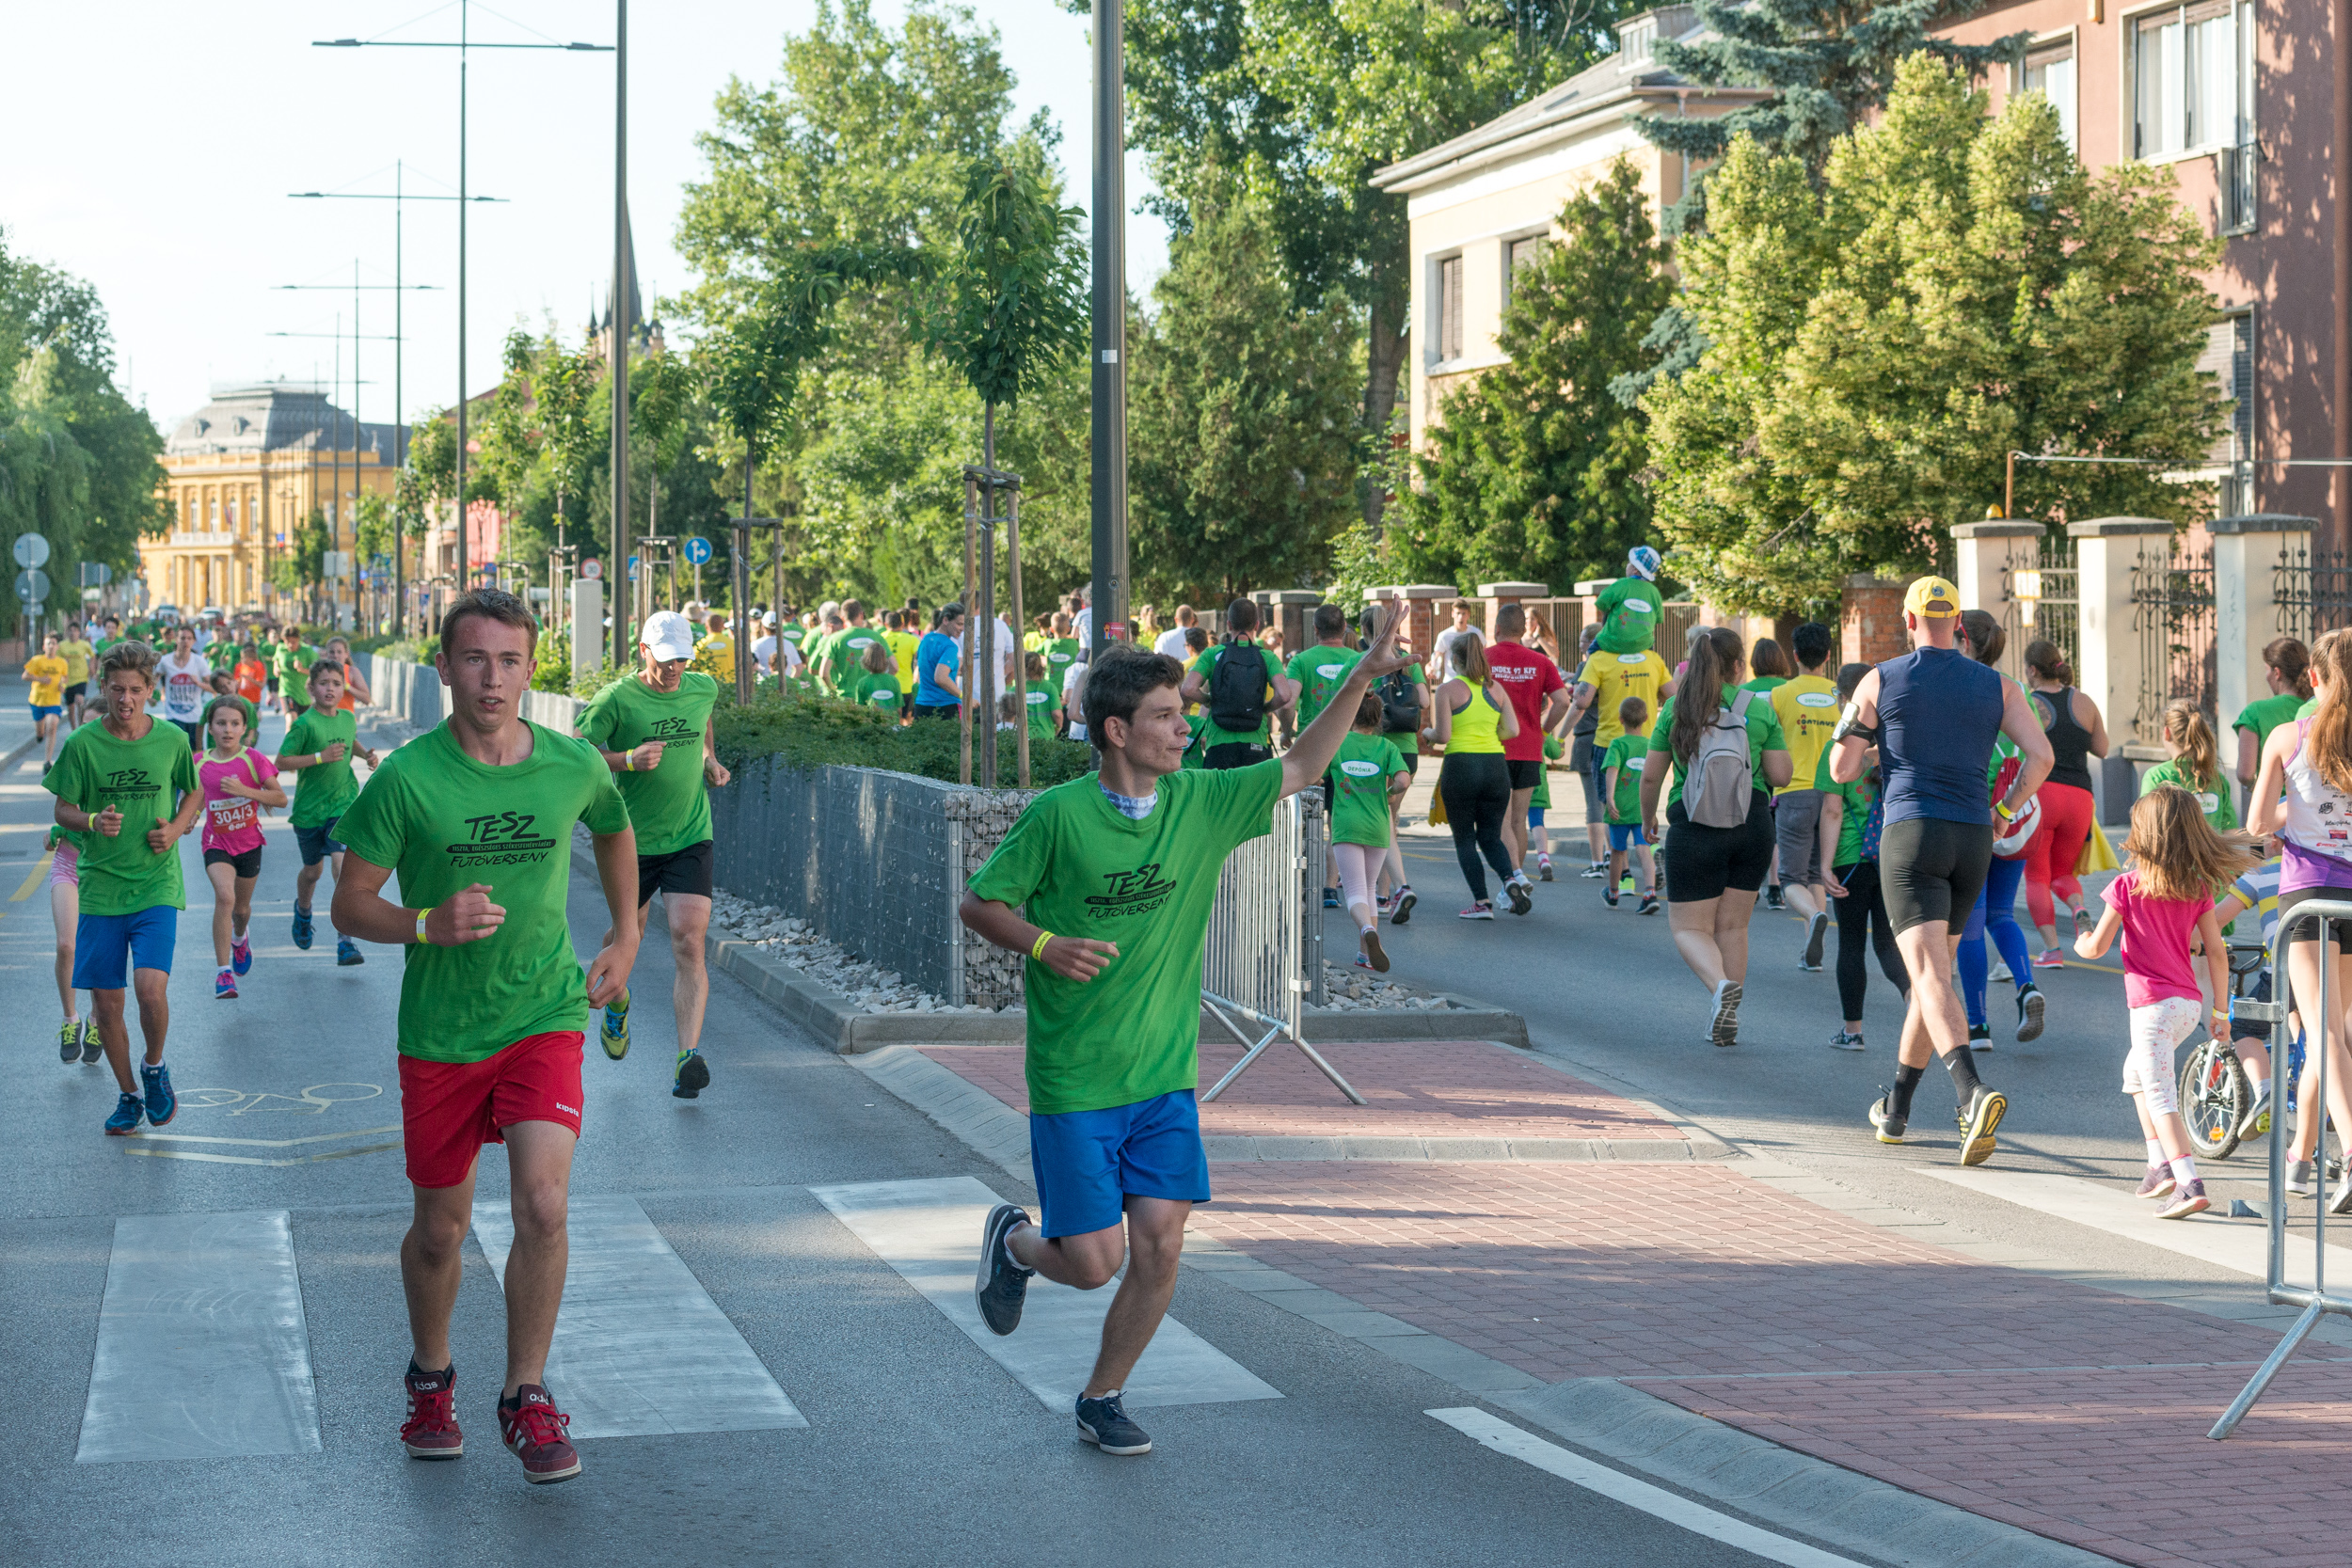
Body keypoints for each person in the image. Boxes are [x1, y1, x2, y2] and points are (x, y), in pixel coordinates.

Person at [961, 609, 1415, 1458]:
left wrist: (1361, 674)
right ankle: (1017, 1243)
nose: (1186, 727)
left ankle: (1104, 1394)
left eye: (1183, 712)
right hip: (1075, 1076)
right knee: (1092, 1261)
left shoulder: (1202, 799)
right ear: (1117, 730)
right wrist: (1047, 944)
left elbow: (1302, 763)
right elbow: (980, 902)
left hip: (1164, 1077)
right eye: (1168, 717)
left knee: (1162, 1244)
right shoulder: (1058, 817)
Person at [329, 587, 638, 1483]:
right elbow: (351, 904)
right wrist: (425, 922)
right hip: (442, 1031)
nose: (492, 678)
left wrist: (625, 935)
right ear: (444, 668)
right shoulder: (407, 777)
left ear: (530, 668)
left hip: (545, 1013)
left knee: (544, 1203)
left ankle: (526, 1394)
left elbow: (617, 830)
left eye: (508, 661)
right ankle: (432, 1378)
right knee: (442, 1228)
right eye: (474, 659)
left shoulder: (573, 763)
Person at [1830, 577, 2051, 1164]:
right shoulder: (1999, 685)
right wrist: (2005, 811)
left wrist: (1862, 735)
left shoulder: (1881, 678)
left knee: (1928, 976)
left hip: (1912, 833)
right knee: (1936, 979)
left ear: (1907, 622)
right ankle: (1897, 1108)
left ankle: (1970, 1091)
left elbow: (1841, 769)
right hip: (1974, 834)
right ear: (1958, 625)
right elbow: (2043, 756)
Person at [2074, 786, 2262, 1219]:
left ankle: (2188, 1180)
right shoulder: (2196, 890)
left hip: (2152, 1010)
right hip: (2187, 1006)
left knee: (2159, 1095)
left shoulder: (2124, 887)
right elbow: (2217, 952)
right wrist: (2221, 1012)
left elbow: (2097, 947)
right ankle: (2158, 1165)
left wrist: (2082, 939)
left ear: (2144, 836)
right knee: (2136, 1076)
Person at [43, 640, 204, 1135]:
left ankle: (154, 1069)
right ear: (104, 688)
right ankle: (128, 1094)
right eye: (116, 689)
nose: (126, 699)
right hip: (100, 889)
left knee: (149, 990)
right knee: (107, 1004)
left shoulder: (172, 740)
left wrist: (176, 828)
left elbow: (194, 791)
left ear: (150, 689)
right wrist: (91, 818)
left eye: (135, 690)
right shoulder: (83, 744)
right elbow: (62, 808)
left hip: (156, 883)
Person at [580, 609, 732, 1100]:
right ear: (643, 651)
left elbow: (703, 722)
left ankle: (688, 1056)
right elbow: (574, 750)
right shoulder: (617, 698)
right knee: (628, 937)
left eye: (682, 660)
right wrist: (624, 759)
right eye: (665, 660)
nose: (674, 670)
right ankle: (618, 1005)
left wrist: (709, 759)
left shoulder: (702, 687)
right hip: (630, 840)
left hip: (690, 833)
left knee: (690, 940)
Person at [1639, 626, 1791, 1044]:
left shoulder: (1676, 708)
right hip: (1752, 824)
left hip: (1694, 824)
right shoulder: (1757, 710)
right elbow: (1781, 775)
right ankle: (1728, 1017)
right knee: (1733, 927)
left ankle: (1719, 988)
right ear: (1738, 666)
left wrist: (1647, 818)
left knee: (1689, 928)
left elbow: (1651, 775)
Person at [2248, 628, 2352, 1210]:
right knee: (2330, 1035)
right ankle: (2300, 1159)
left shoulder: (2289, 736)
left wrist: (2301, 808)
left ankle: (2351, 1155)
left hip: (2310, 892)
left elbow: (2260, 823)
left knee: (2324, 1034)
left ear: (2313, 679)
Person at [1951, 610, 2044, 1051]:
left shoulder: (1959, 686)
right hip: (2017, 815)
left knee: (1970, 922)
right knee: (2003, 914)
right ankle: (2027, 986)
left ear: (1963, 639)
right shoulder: (2016, 689)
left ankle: (1978, 1026)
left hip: (1974, 816)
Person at [1820, 661, 1910, 1051]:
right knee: (1889, 944)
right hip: (1892, 854)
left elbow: (1832, 811)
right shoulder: (1895, 743)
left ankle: (1852, 1030)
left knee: (1851, 944)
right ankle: (1918, 1009)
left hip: (1850, 859)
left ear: (1844, 700)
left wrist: (1823, 865)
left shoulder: (1837, 749)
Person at [278, 659, 379, 967]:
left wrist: (366, 755)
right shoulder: (304, 724)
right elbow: (282, 761)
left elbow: (351, 742)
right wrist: (319, 758)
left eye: (336, 683)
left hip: (342, 803)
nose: (330, 689)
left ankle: (345, 940)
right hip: (310, 810)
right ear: (311, 688)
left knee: (341, 865)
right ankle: (303, 912)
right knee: (312, 873)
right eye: (324, 683)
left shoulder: (347, 718)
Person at [1424, 632, 1524, 918]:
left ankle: (1482, 903)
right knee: (1491, 837)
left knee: (1465, 838)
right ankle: (1510, 881)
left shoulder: (1447, 690)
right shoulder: (1497, 690)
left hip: (1461, 766)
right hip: (1495, 766)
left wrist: (1428, 735)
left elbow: (1443, 735)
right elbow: (1513, 731)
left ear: (1455, 660)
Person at [2020, 638, 2107, 963]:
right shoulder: (2083, 701)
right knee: (2063, 873)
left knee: (2037, 876)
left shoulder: (2028, 703)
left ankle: (2052, 950)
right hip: (2081, 799)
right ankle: (2079, 908)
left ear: (2032, 670)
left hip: (2042, 795)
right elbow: (2102, 749)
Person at [198, 696, 285, 1000]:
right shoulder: (200, 763)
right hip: (216, 842)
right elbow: (195, 800)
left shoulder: (253, 759)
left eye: (235, 724)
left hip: (249, 844)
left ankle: (240, 937)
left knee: (242, 910)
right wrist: (184, 821)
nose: (228, 730)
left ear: (245, 728)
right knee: (225, 897)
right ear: (210, 727)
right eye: (221, 723)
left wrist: (244, 790)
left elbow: (280, 798)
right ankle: (223, 974)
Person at [1769, 623, 1842, 969]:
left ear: (1794, 655)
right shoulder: (1839, 696)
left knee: (1790, 879)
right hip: (1832, 795)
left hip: (1794, 792)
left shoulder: (1780, 695)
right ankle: (1812, 952)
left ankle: (1812, 917)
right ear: (1828, 656)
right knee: (1817, 874)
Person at [1485, 604, 1570, 898]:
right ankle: (1515, 881)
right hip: (1530, 750)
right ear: (1524, 631)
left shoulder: (1483, 658)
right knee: (1519, 822)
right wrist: (1544, 731)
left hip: (1493, 748)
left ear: (1496, 629)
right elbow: (1562, 701)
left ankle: (1512, 882)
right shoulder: (1540, 661)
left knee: (1500, 822)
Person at [1329, 691, 1411, 970]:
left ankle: (1366, 929)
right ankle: (1364, 955)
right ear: (1378, 719)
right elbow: (1403, 779)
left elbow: (1314, 774)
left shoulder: (1338, 742)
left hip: (1347, 825)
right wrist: (1389, 791)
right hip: (1377, 826)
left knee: (1353, 891)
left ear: (1352, 714)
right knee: (1368, 888)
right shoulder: (1386, 747)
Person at [1362, 604, 1427, 921]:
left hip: (1376, 746)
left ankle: (1389, 890)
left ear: (1364, 631)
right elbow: (1425, 701)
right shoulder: (1406, 660)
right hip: (1407, 749)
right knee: (1390, 818)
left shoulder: (1368, 658)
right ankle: (1386, 893)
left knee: (1380, 820)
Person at [1179, 599, 1295, 769]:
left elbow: (1188, 689)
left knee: (1219, 795)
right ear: (1256, 625)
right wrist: (1265, 708)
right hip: (1256, 743)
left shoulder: (1213, 654)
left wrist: (1210, 700)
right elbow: (1285, 696)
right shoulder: (1267, 657)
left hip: (1218, 743)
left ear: (1228, 625)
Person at [2233, 637, 2311, 812]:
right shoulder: (2314, 707)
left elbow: (2245, 773)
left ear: (2277, 673)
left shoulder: (2255, 712)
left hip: (2273, 806)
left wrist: (2257, 789)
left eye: (2266, 670)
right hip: (2310, 804)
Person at [1598, 695, 1658, 913]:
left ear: (1620, 719)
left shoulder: (1617, 744)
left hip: (1620, 809)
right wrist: (1653, 812)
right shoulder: (1651, 745)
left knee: (1617, 850)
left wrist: (1610, 798)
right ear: (1646, 718)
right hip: (1643, 808)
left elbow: (1612, 769)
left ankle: (1613, 893)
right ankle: (1650, 892)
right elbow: (1654, 778)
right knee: (1644, 849)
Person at [2141, 700, 2237, 832]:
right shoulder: (2218, 779)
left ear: (2167, 732)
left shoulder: (2156, 776)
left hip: (2171, 853)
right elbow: (2230, 832)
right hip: (2213, 853)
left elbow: (2146, 827)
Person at [47, 823, 96, 1065]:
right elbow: (65, 807)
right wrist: (55, 831)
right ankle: (70, 1021)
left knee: (99, 951)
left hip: (104, 872)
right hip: (67, 865)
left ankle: (96, 1021)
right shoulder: (77, 782)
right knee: (66, 946)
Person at [1282, 604, 1361, 739]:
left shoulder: (1300, 661)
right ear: (1344, 627)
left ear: (1315, 629)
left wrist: (1286, 731)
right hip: (1348, 738)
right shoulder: (1360, 661)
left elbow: (1288, 704)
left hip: (1310, 738)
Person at [1594, 545, 1665, 654]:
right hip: (1644, 645)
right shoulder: (1654, 592)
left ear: (1635, 569)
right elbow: (1659, 619)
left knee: (1591, 650)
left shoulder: (1622, 584)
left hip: (1614, 641)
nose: (1627, 565)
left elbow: (1601, 602)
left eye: (1629, 563)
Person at [156, 625, 211, 747]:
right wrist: (157, 695)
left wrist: (198, 683)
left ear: (194, 641)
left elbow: (213, 687)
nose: (185, 641)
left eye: (189, 638)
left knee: (195, 752)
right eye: (182, 638)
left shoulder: (199, 662)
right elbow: (153, 680)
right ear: (176, 639)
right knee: (176, 750)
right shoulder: (165, 661)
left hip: (195, 716)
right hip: (173, 714)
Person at [914, 604, 964, 719]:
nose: (962, 629)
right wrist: (964, 696)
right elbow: (940, 678)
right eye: (959, 624)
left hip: (922, 704)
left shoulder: (925, 639)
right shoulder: (950, 646)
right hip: (945, 706)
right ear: (945, 620)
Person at [25, 632, 67, 771]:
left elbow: (65, 678)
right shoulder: (37, 660)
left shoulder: (62, 662)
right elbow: (25, 676)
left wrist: (63, 687)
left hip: (54, 701)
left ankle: (47, 762)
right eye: (48, 643)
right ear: (44, 646)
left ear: (57, 646)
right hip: (37, 700)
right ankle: (39, 735)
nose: (51, 646)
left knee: (52, 725)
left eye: (54, 643)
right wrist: (40, 679)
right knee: (41, 730)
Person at [274, 624, 324, 719]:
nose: (290, 645)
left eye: (294, 642)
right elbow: (276, 658)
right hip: (287, 690)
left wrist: (302, 670)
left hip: (304, 694)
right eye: (287, 641)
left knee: (302, 725)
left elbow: (317, 672)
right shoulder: (280, 648)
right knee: (291, 719)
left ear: (299, 639)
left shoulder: (307, 651)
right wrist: (276, 668)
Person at [849, 642, 903, 718]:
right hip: (892, 724)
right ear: (885, 659)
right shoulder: (894, 680)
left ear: (866, 661)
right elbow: (899, 708)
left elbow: (860, 708)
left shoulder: (862, 682)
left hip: (872, 725)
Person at [57, 620, 93, 729]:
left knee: (80, 701)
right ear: (67, 632)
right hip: (67, 679)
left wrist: (92, 667)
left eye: (75, 631)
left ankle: (81, 728)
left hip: (81, 677)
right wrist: (63, 662)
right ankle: (74, 730)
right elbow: (57, 660)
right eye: (71, 631)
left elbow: (93, 656)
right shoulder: (62, 646)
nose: (73, 633)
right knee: (71, 707)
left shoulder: (84, 645)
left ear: (79, 633)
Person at [1429, 599, 1477, 679]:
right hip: (1451, 679)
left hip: (1471, 679)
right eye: (1458, 613)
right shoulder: (1444, 635)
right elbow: (1437, 657)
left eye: (1463, 613)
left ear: (1468, 615)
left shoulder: (1476, 634)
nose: (1460, 617)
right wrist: (1430, 667)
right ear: (1453, 614)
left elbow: (1483, 654)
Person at [327, 635, 373, 711]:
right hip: (325, 720)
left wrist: (347, 687)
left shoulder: (352, 672)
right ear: (327, 653)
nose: (335, 655)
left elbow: (367, 699)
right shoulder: (321, 671)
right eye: (332, 652)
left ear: (346, 654)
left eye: (339, 652)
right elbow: (309, 689)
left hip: (346, 720)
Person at [882, 610, 917, 700]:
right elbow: (920, 658)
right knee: (905, 714)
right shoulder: (912, 639)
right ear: (902, 624)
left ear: (885, 624)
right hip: (905, 686)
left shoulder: (880, 638)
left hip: (884, 685)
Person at [1022, 650, 1058, 739]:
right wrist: (1058, 728)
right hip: (1046, 736)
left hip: (1024, 737)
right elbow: (1057, 714)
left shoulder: (1015, 690)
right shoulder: (1050, 688)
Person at [697, 610, 736, 683]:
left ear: (706, 627)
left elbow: (693, 666)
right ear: (723, 626)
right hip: (730, 686)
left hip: (708, 684)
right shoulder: (732, 643)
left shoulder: (701, 644)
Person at [233, 643, 269, 716]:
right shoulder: (239, 666)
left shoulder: (258, 667)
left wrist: (248, 678)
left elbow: (261, 685)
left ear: (251, 658)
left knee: (252, 721)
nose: (242, 660)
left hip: (254, 700)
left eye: (244, 658)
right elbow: (236, 681)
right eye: (241, 658)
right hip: (242, 698)